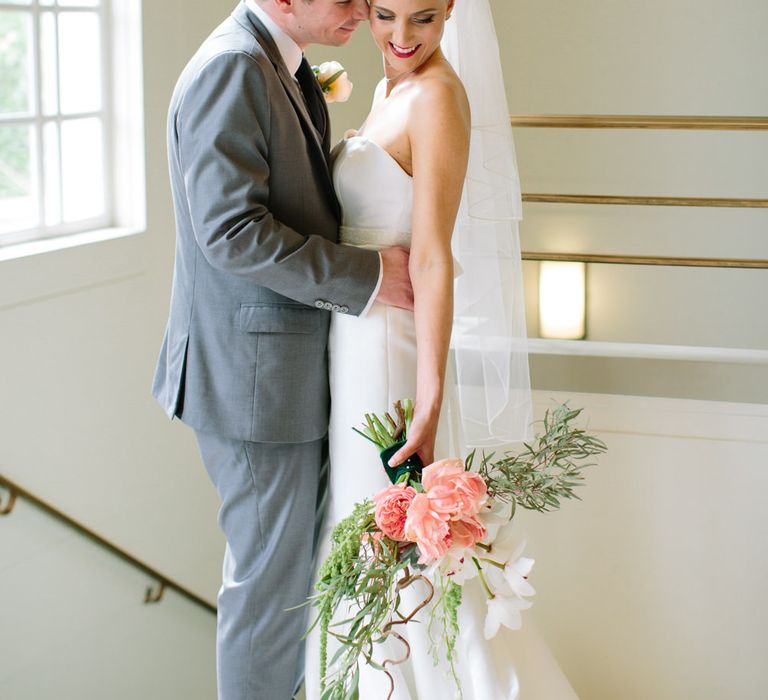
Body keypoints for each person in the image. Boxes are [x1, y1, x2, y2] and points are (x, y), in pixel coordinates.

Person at [304, 0, 579, 697]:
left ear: (452, 10)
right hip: (353, 334)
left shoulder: (438, 98)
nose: (401, 37)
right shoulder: (392, 84)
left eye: (423, 19)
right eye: (387, 14)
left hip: (390, 352)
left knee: (393, 539)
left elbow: (430, 260)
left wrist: (427, 402)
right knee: (364, 532)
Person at [151, 1, 415, 698]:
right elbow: (232, 230)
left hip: (282, 371)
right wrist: (372, 275)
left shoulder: (279, 64)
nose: (363, 6)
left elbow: (282, 194)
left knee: (294, 580)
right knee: (269, 594)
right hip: (253, 381)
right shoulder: (233, 67)